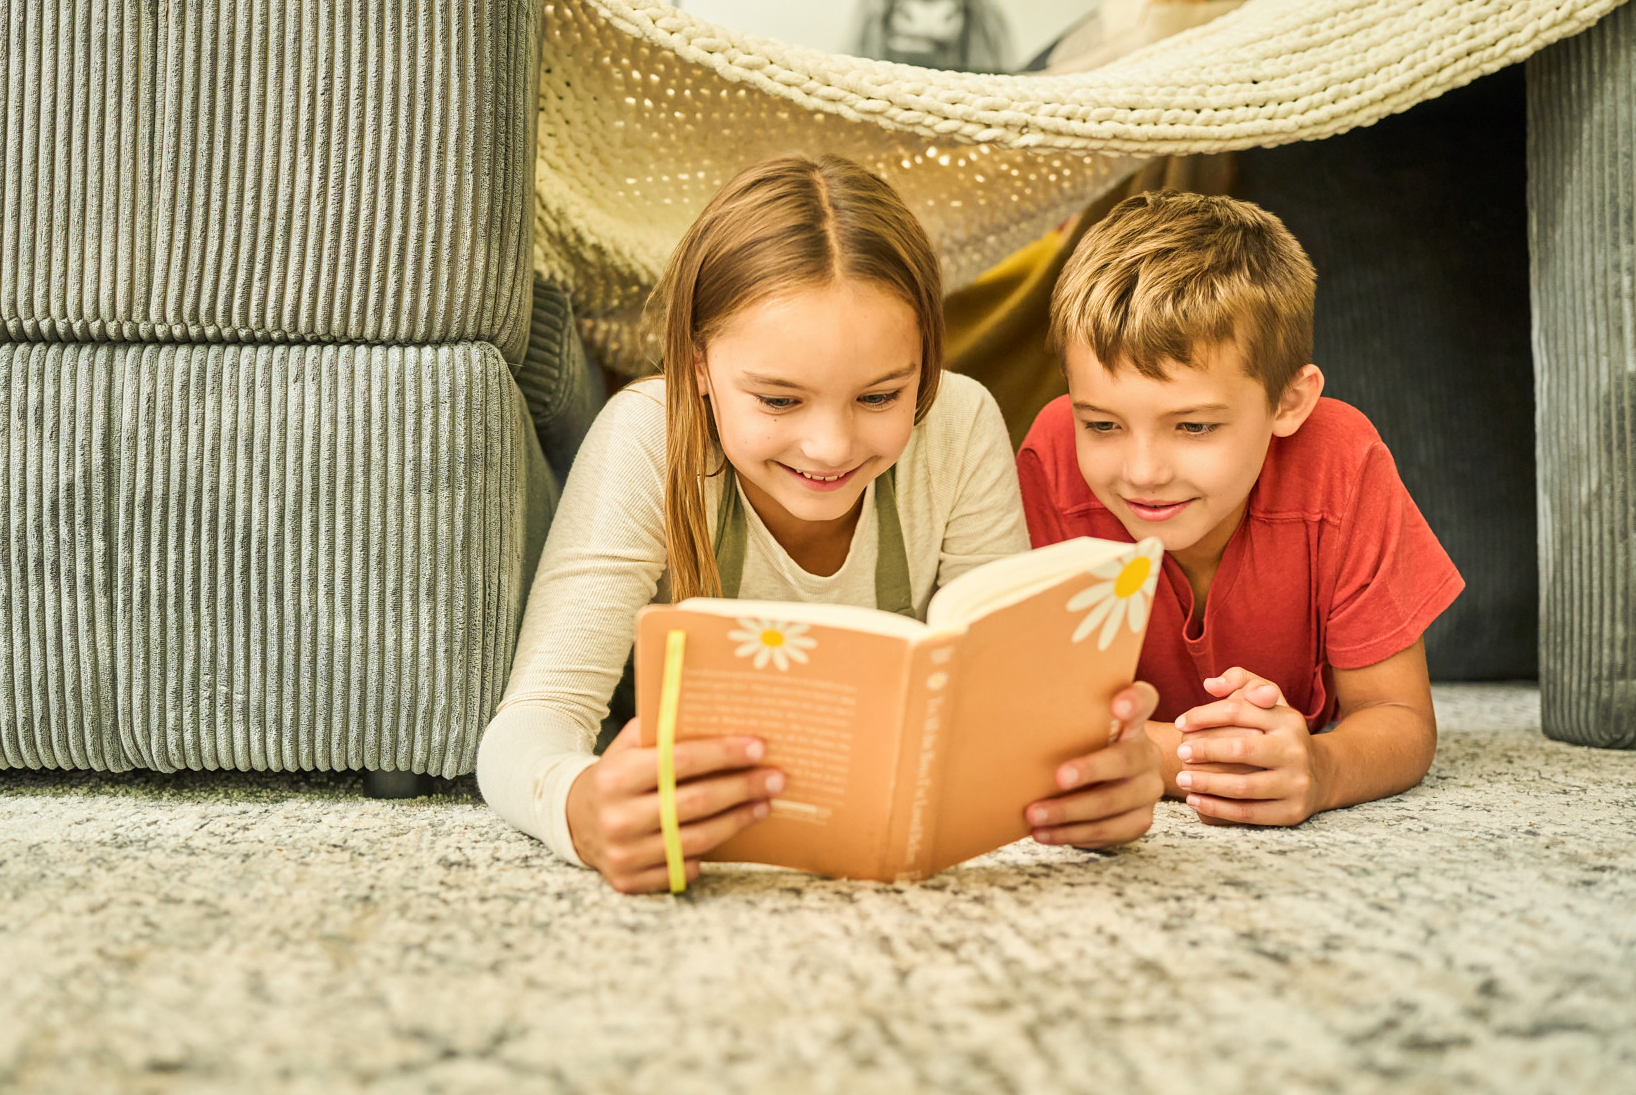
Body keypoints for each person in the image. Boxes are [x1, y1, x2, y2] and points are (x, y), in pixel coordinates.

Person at [479, 155, 1164, 892]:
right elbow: (533, 721)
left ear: (926, 365)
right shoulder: (648, 436)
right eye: (778, 401)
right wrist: (578, 805)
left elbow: (1002, 708)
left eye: (879, 397)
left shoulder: (958, 422)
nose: (831, 448)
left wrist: (1093, 777)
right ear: (699, 364)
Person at [1018, 191, 1464, 828]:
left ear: (1287, 403)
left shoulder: (1341, 463)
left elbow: (1400, 719)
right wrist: (1195, 757)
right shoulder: (1053, 456)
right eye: (1103, 424)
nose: (1143, 472)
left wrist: (1321, 768)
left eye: (1194, 427)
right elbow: (1030, 715)